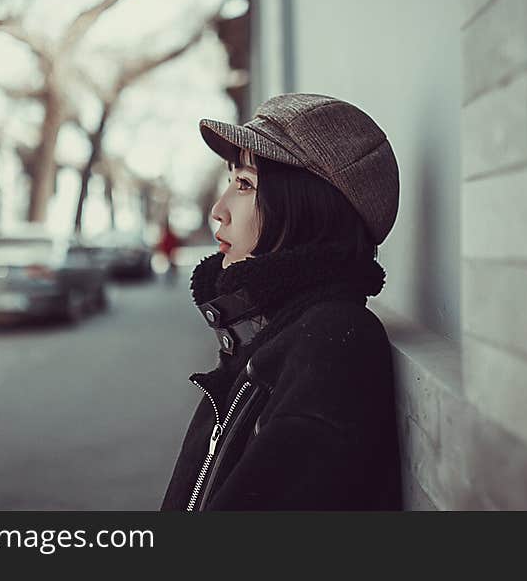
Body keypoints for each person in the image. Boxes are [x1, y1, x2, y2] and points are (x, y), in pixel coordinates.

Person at [160, 93, 402, 511]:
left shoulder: (331, 346)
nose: (220, 210)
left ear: (309, 208)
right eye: (230, 181)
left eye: (245, 184)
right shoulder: (270, 330)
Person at [156, 215, 181, 284]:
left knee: (171, 266)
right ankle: (170, 278)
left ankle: (171, 278)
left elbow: (172, 242)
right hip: (168, 252)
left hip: (170, 252)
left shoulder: (168, 235)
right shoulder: (166, 234)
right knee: (170, 266)